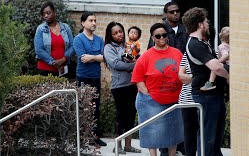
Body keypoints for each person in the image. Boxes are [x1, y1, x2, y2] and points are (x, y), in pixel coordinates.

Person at [182, 7, 229, 156]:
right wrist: (230, 76)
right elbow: (215, 67)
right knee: (208, 138)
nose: (208, 24)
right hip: (207, 97)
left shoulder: (201, 43)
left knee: (214, 139)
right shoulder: (195, 44)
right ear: (200, 24)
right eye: (206, 22)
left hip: (213, 95)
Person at [132, 23, 184, 156]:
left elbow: (183, 72)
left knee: (174, 130)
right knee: (152, 131)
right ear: (152, 37)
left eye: (164, 35)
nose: (161, 37)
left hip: (174, 100)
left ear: (167, 36)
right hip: (152, 101)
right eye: (158, 35)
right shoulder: (146, 56)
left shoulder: (177, 53)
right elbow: (138, 79)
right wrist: (149, 95)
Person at [147, 1, 187, 156]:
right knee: (164, 120)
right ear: (165, 14)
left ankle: (180, 147)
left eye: (177, 11)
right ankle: (165, 149)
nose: (175, 13)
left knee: (180, 117)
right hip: (164, 81)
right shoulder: (161, 30)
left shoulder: (185, 30)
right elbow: (151, 53)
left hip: (180, 79)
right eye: (172, 11)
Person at [103, 21, 141, 154]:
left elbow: (138, 58)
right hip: (119, 87)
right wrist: (135, 65)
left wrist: (137, 61)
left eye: (120, 31)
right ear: (110, 35)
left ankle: (128, 146)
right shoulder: (108, 47)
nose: (119, 34)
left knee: (131, 115)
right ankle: (117, 146)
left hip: (132, 84)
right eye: (115, 33)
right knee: (121, 116)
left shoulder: (128, 45)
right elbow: (116, 64)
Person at [73, 11, 107, 147]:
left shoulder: (99, 40)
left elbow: (105, 57)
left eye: (95, 21)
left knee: (95, 108)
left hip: (95, 77)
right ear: (83, 23)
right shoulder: (78, 39)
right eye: (91, 20)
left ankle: (94, 137)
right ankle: (82, 138)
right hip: (83, 77)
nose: (94, 23)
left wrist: (92, 57)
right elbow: (83, 58)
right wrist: (97, 57)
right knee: (83, 107)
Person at [34, 1, 74, 76]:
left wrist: (63, 59)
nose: (46, 16)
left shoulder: (65, 28)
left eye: (48, 13)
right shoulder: (40, 29)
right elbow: (39, 50)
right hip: (45, 69)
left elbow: (72, 46)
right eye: (43, 14)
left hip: (63, 69)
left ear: (55, 12)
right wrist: (54, 62)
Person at [200, 26, 230, 91]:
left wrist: (218, 61)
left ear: (221, 37)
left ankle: (211, 82)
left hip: (227, 65)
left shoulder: (222, 46)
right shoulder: (230, 46)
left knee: (214, 67)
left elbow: (226, 55)